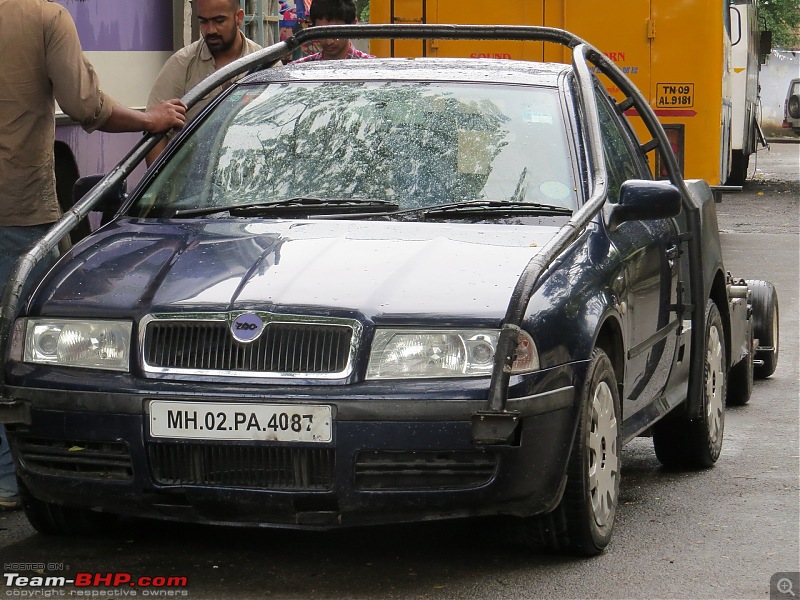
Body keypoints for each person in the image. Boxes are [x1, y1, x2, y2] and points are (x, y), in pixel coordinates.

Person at [0, 0, 187, 511]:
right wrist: (149, 119)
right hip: (15, 208)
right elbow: (87, 108)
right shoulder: (42, 17)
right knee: (17, 346)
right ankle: (9, 476)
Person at [145, 0, 263, 166]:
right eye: (204, 21)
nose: (211, 30)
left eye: (219, 21)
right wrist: (161, 189)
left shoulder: (264, 64)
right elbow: (154, 131)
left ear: (239, 17)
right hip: (190, 186)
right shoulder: (183, 64)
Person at [293, 0, 375, 62]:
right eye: (321, 33)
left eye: (336, 34)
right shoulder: (299, 69)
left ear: (352, 26)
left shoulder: (371, 68)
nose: (329, 42)